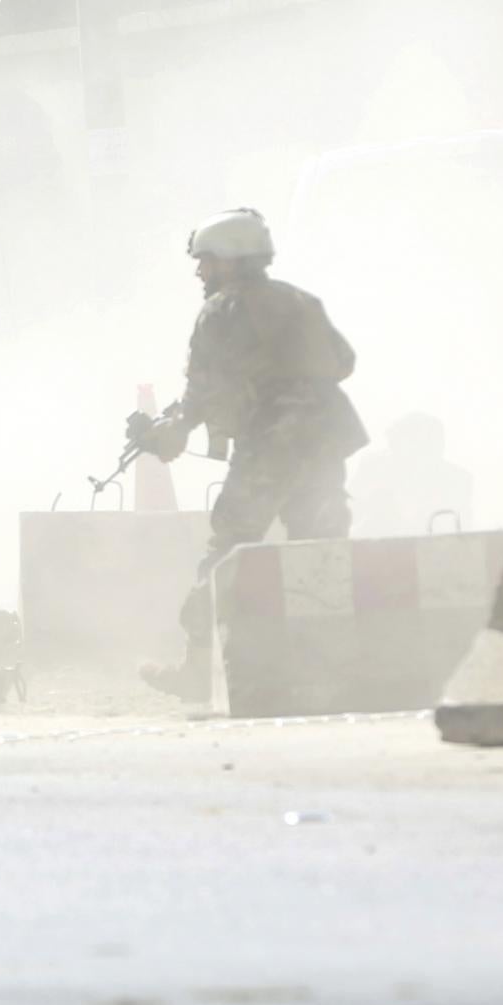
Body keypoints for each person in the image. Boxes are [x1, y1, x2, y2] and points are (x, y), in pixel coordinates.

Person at [133, 208, 367, 703]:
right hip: (325, 438)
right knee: (320, 548)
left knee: (230, 547)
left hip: (270, 445)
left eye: (206, 262)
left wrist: (173, 430)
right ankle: (334, 668)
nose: (200, 273)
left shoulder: (221, 312)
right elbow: (343, 362)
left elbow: (203, 389)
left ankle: (199, 668)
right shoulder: (299, 301)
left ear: (230, 261)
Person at [351, 411, 474, 538]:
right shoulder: (373, 469)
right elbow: (349, 517)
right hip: (374, 550)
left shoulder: (457, 480)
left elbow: (462, 533)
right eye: (392, 444)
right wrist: (372, 513)